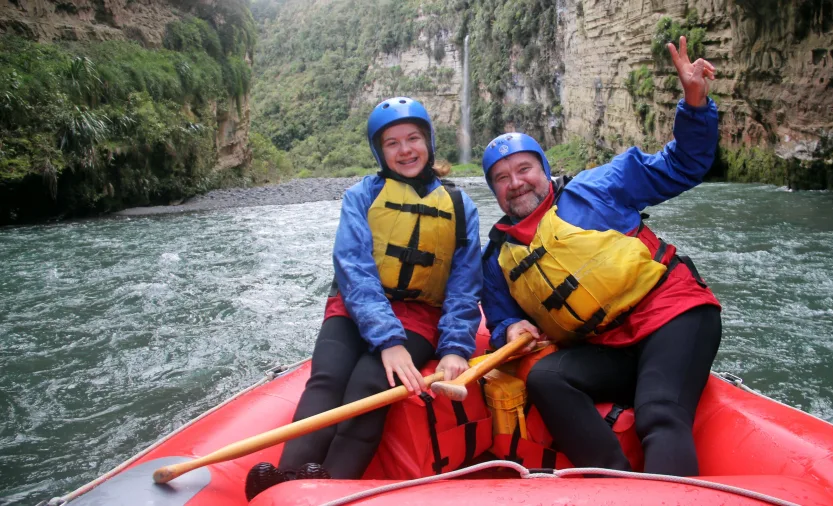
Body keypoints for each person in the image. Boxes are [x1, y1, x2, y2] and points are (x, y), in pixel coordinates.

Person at [479, 36, 721, 476]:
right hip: (610, 348)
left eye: (524, 169)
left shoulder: (598, 186)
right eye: (501, 177)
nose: (516, 183)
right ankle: (612, 477)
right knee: (545, 378)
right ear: (493, 190)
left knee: (659, 413)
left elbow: (685, 163)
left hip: (673, 317)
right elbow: (498, 320)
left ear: (543, 169)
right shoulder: (497, 258)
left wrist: (694, 102)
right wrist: (511, 326)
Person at [245, 97, 482, 500]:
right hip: (356, 307)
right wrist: (387, 339)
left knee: (370, 385)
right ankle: (286, 483)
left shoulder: (461, 207)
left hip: (418, 316)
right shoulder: (361, 195)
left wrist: (455, 346)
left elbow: (464, 285)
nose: (405, 150)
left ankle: (331, 487)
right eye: (392, 143)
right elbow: (353, 268)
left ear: (429, 143)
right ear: (379, 151)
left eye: (413, 139)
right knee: (327, 380)